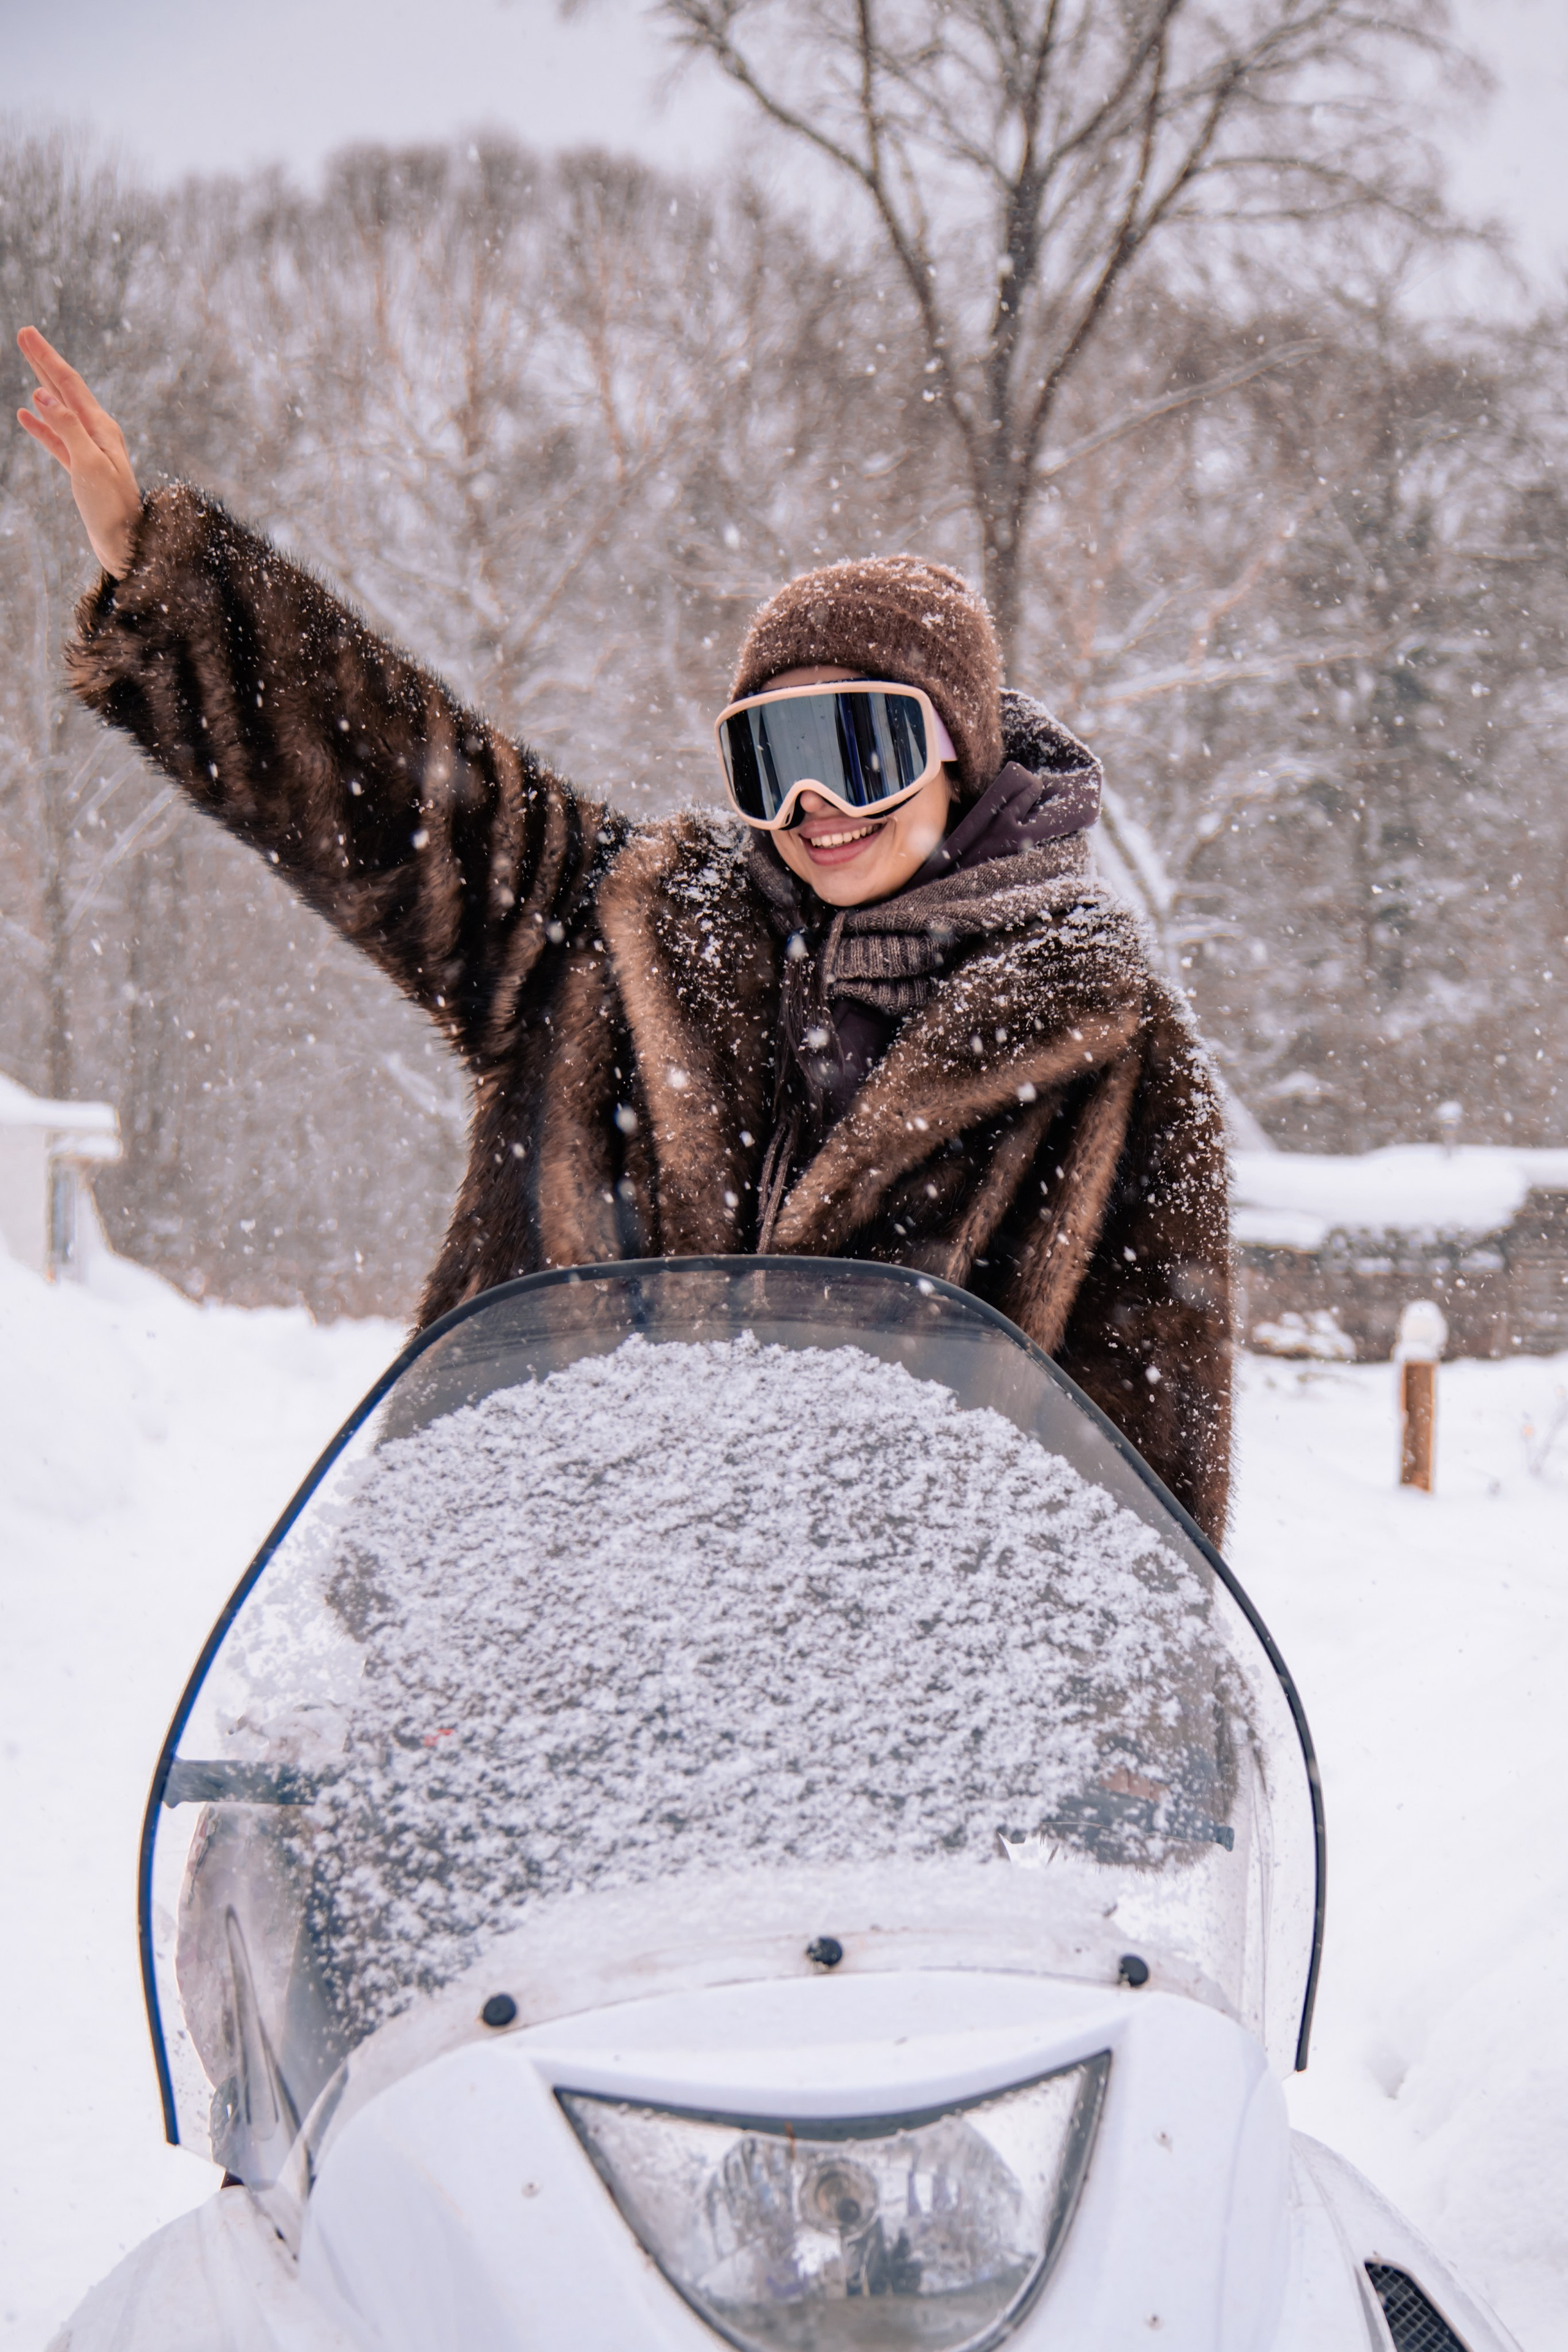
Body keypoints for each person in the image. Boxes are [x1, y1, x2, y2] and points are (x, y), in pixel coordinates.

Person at [15, 326, 1232, 1539]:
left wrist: (1109, 1710)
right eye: (772, 759)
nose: (813, 808)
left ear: (956, 754)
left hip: (901, 1691)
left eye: (857, 750)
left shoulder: (1104, 1049)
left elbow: (1148, 1453)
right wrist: (167, 582)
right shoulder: (622, 932)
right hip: (537, 1630)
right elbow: (388, 790)